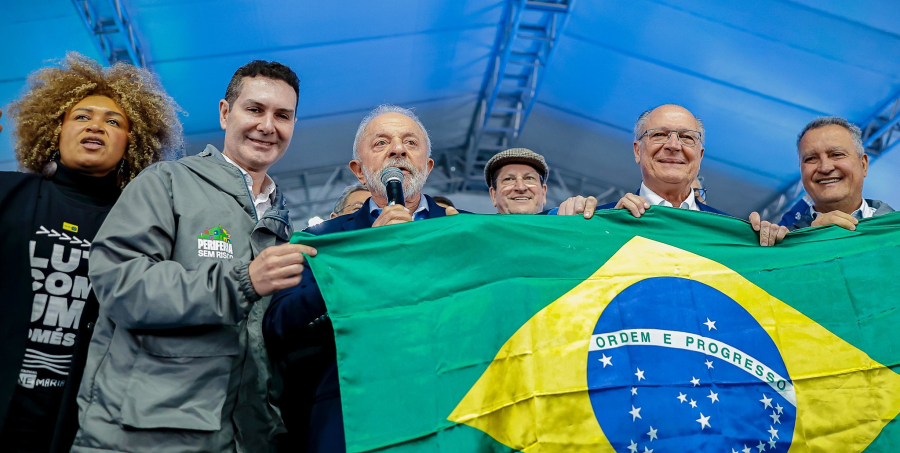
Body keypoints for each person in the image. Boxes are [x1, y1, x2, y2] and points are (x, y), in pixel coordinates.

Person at [71, 60, 314, 453]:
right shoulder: (166, 182)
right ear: (224, 113)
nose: (268, 126)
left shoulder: (282, 222)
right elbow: (121, 284)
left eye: (282, 115)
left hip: (240, 439)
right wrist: (243, 281)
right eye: (254, 109)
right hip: (140, 436)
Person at [0, 53, 182, 453]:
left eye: (113, 121)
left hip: (85, 421)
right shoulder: (7, 194)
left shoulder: (147, 225)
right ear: (55, 129)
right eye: (82, 116)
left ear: (133, 143)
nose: (96, 125)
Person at [263, 104, 459, 452]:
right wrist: (361, 260)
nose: (398, 149)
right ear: (359, 170)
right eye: (381, 142)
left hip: (452, 405)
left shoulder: (466, 230)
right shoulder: (323, 240)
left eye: (410, 143)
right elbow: (279, 323)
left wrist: (569, 218)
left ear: (427, 167)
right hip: (355, 412)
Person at [555, 104, 728, 217]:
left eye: (687, 137)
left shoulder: (731, 234)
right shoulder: (596, 220)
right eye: (659, 135)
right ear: (638, 151)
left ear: (700, 155)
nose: (673, 145)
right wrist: (561, 220)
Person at [750, 116, 894, 245]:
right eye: (811, 158)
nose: (825, 168)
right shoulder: (784, 243)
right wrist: (752, 241)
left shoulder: (894, 229)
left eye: (837, 154)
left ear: (863, 165)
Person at [484, 148, 549, 215]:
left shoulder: (559, 222)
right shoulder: (475, 225)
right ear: (493, 195)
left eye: (529, 178)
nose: (520, 187)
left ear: (543, 193)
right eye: (508, 179)